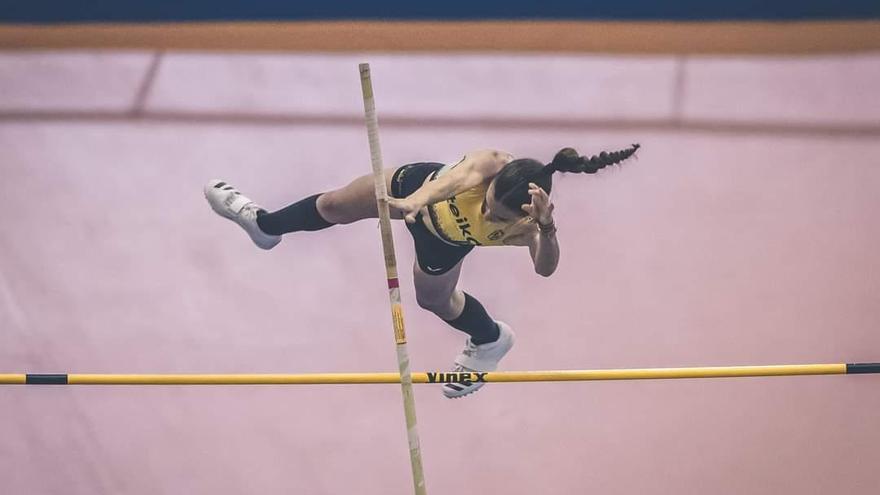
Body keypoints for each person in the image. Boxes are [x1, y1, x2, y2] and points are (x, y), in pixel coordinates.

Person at [204, 144, 640, 398]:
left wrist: (545, 227)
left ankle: (491, 339)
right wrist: (414, 202)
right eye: (487, 204)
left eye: (499, 220)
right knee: (335, 205)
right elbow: (451, 182)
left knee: (432, 299)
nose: (490, 218)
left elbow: (546, 269)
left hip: (445, 241)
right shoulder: (490, 164)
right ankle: (263, 225)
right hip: (417, 191)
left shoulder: (532, 221)